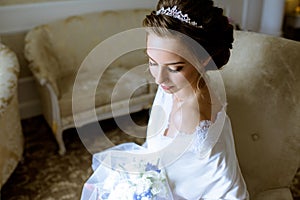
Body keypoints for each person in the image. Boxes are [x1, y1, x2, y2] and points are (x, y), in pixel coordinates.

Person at [81, 0, 249, 199]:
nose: (159, 78)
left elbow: (207, 186)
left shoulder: (191, 115)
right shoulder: (179, 86)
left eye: (174, 68)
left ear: (204, 58)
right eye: (152, 62)